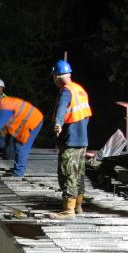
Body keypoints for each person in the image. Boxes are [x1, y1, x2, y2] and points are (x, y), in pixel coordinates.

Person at [50, 59, 92, 220]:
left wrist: (58, 124)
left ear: (58, 76)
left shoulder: (66, 91)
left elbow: (61, 108)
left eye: (54, 76)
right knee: (79, 173)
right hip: (82, 140)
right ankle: (78, 206)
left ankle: (68, 211)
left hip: (71, 141)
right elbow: (86, 115)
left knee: (67, 174)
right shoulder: (80, 90)